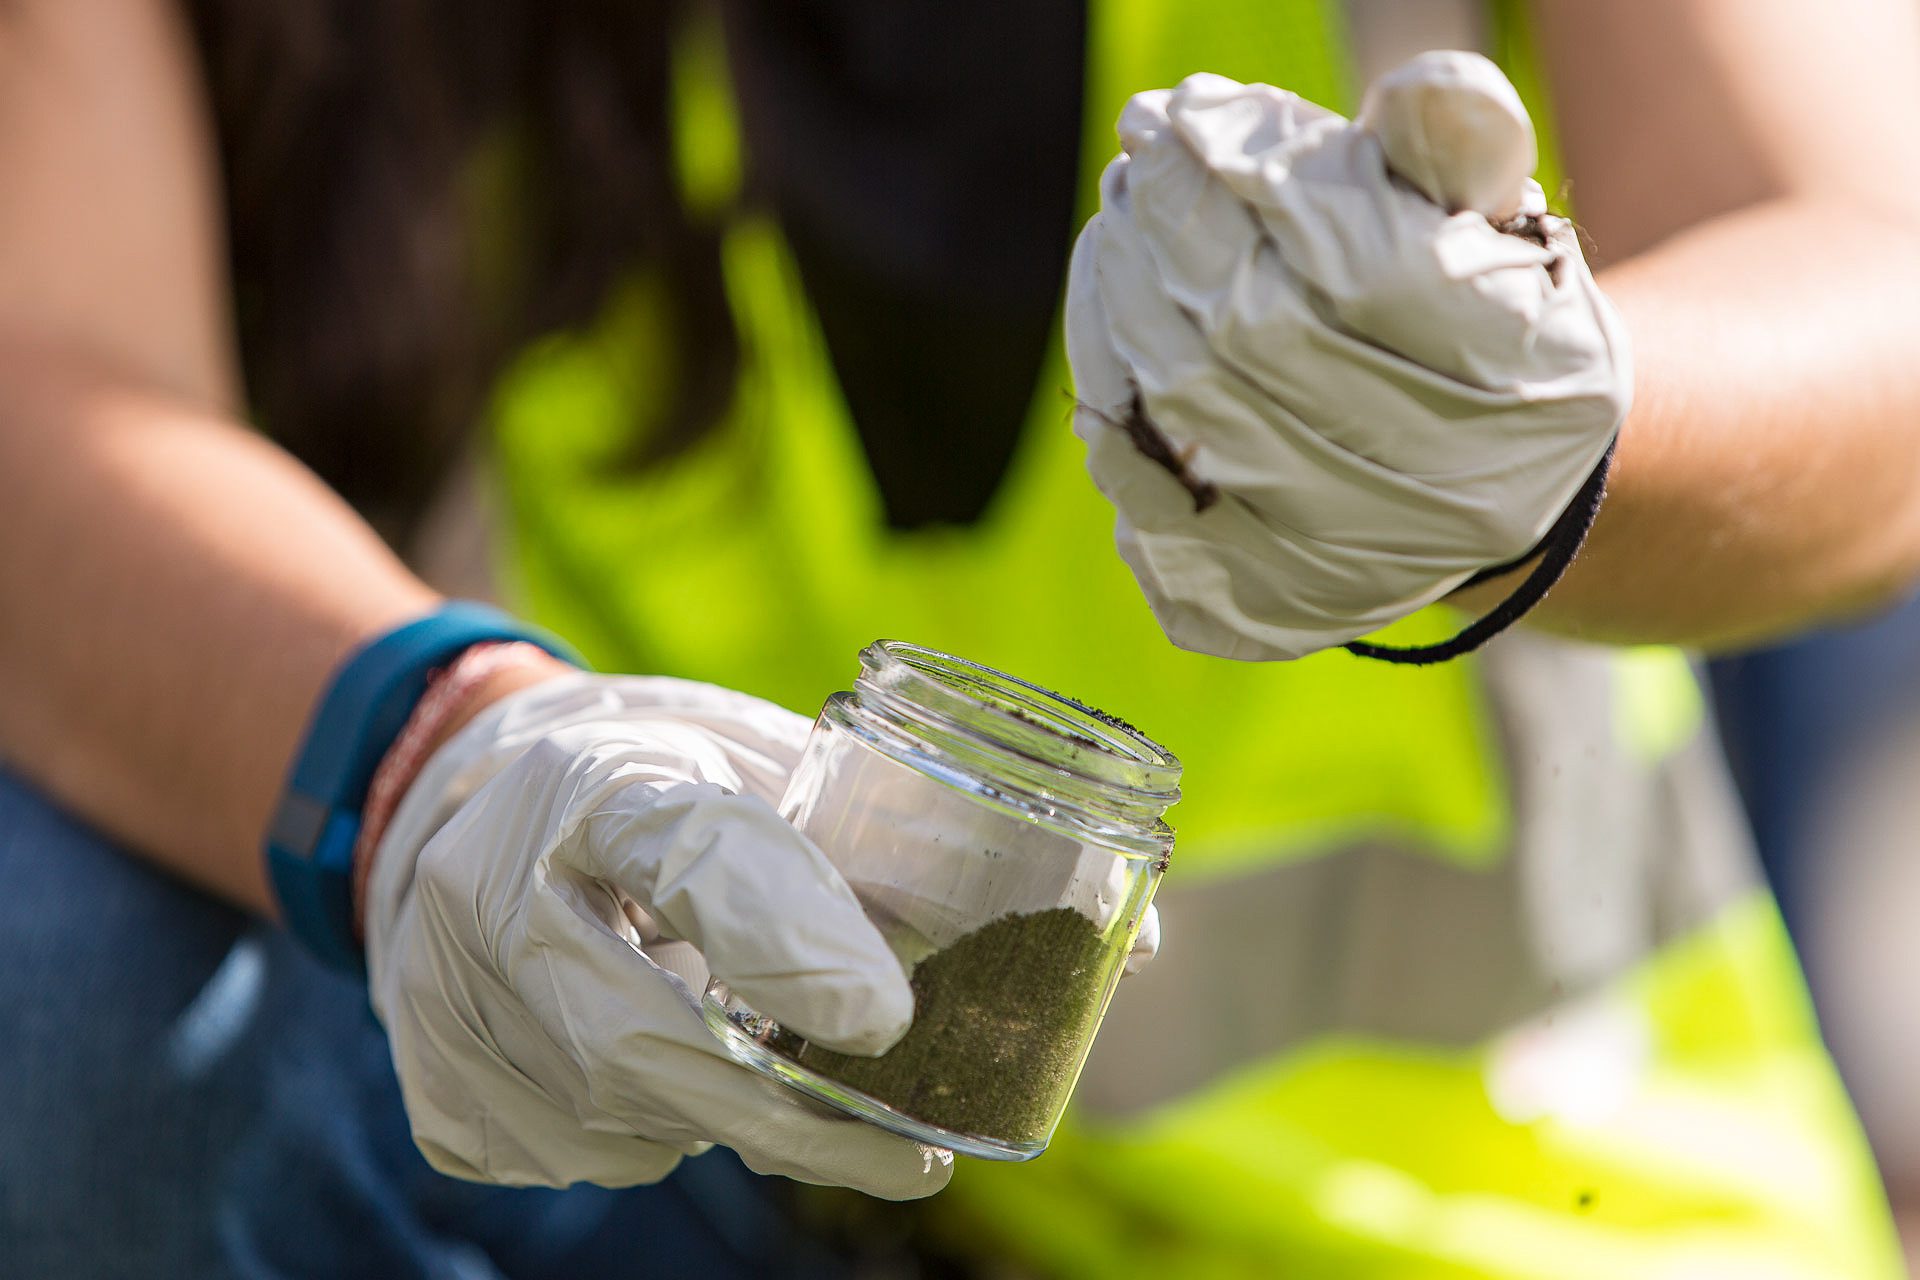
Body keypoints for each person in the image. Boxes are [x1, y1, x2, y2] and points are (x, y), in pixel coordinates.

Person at [0, 2, 1915, 1279]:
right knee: (62, 988)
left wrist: (1550, 428)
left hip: (1460, 1229)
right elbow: (48, 387)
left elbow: (1869, 280)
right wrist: (431, 762)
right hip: (647, 1164)